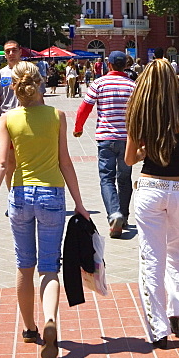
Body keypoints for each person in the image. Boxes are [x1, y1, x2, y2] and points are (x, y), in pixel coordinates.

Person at [0, 61, 89, 358]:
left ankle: (30, 328)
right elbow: (65, 162)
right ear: (41, 83)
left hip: (19, 195)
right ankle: (51, 319)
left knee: (23, 266)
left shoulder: (8, 119)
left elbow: (2, 164)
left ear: (12, 86)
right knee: (49, 268)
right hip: (52, 195)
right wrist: (79, 203)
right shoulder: (57, 116)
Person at [124, 59, 179, 349]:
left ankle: (158, 329)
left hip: (151, 187)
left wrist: (148, 149)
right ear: (174, 82)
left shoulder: (139, 115)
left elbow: (129, 159)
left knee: (152, 257)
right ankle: (176, 310)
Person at [73, 50, 136, 238]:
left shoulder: (99, 83)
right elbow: (140, 112)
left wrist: (78, 127)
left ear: (108, 65)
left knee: (107, 178)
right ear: (125, 65)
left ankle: (114, 213)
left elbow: (84, 107)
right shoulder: (133, 85)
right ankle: (123, 216)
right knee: (124, 178)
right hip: (127, 139)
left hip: (106, 138)